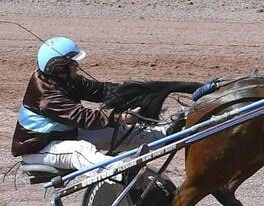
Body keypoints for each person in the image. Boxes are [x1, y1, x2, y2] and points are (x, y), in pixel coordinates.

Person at [12, 36, 165, 172]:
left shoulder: (64, 79)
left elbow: (100, 91)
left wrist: (133, 92)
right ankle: (122, 172)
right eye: (72, 63)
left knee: (118, 131)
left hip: (64, 136)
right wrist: (120, 117)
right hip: (38, 148)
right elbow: (83, 117)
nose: (77, 66)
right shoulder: (48, 98)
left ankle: (164, 135)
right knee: (81, 151)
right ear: (60, 68)